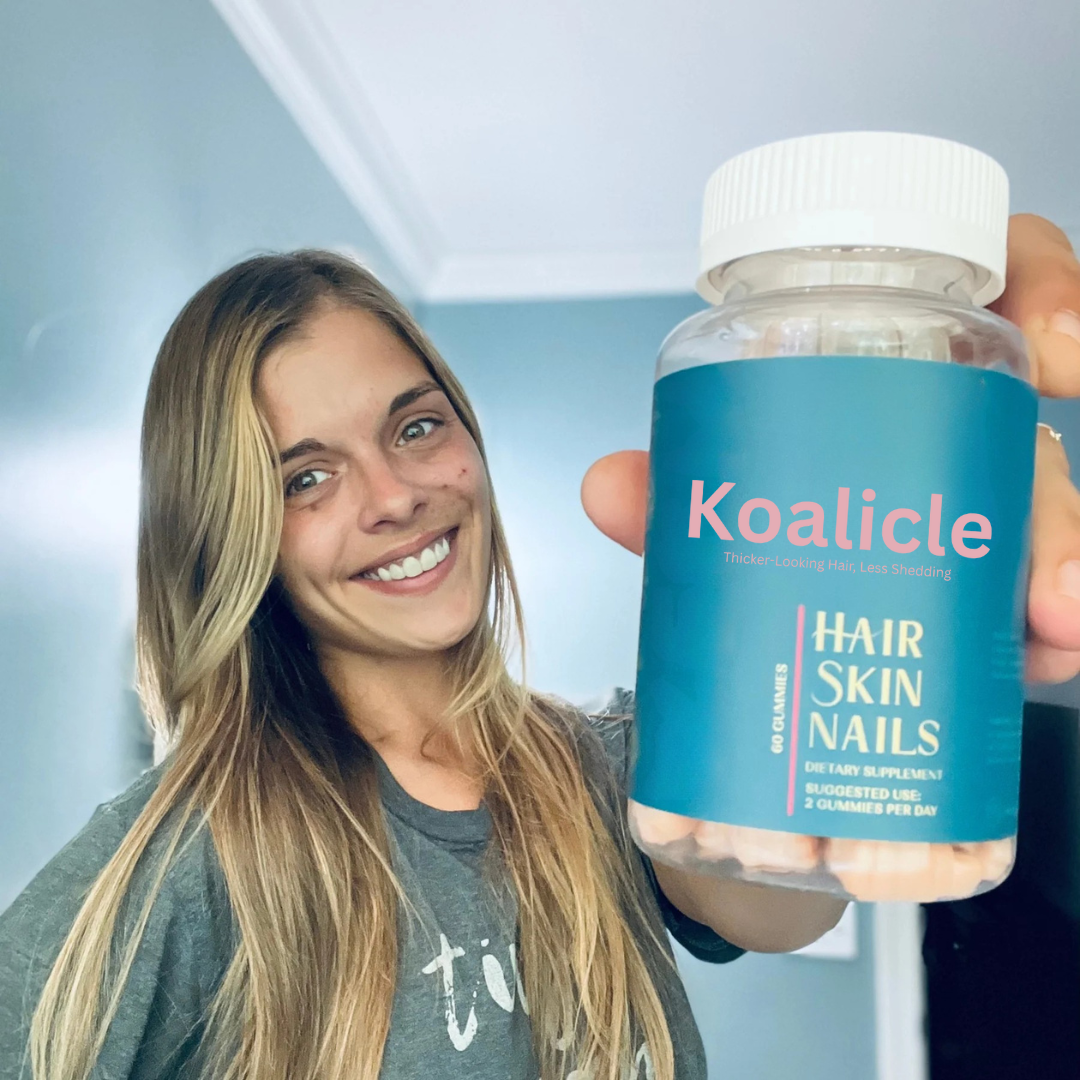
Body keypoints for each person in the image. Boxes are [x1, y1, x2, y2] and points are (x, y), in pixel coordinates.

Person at [2, 215, 1080, 1080]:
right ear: (228, 534)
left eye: (416, 426)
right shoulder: (183, 852)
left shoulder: (613, 767)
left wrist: (894, 453)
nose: (395, 496)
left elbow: (786, 893)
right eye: (306, 478)